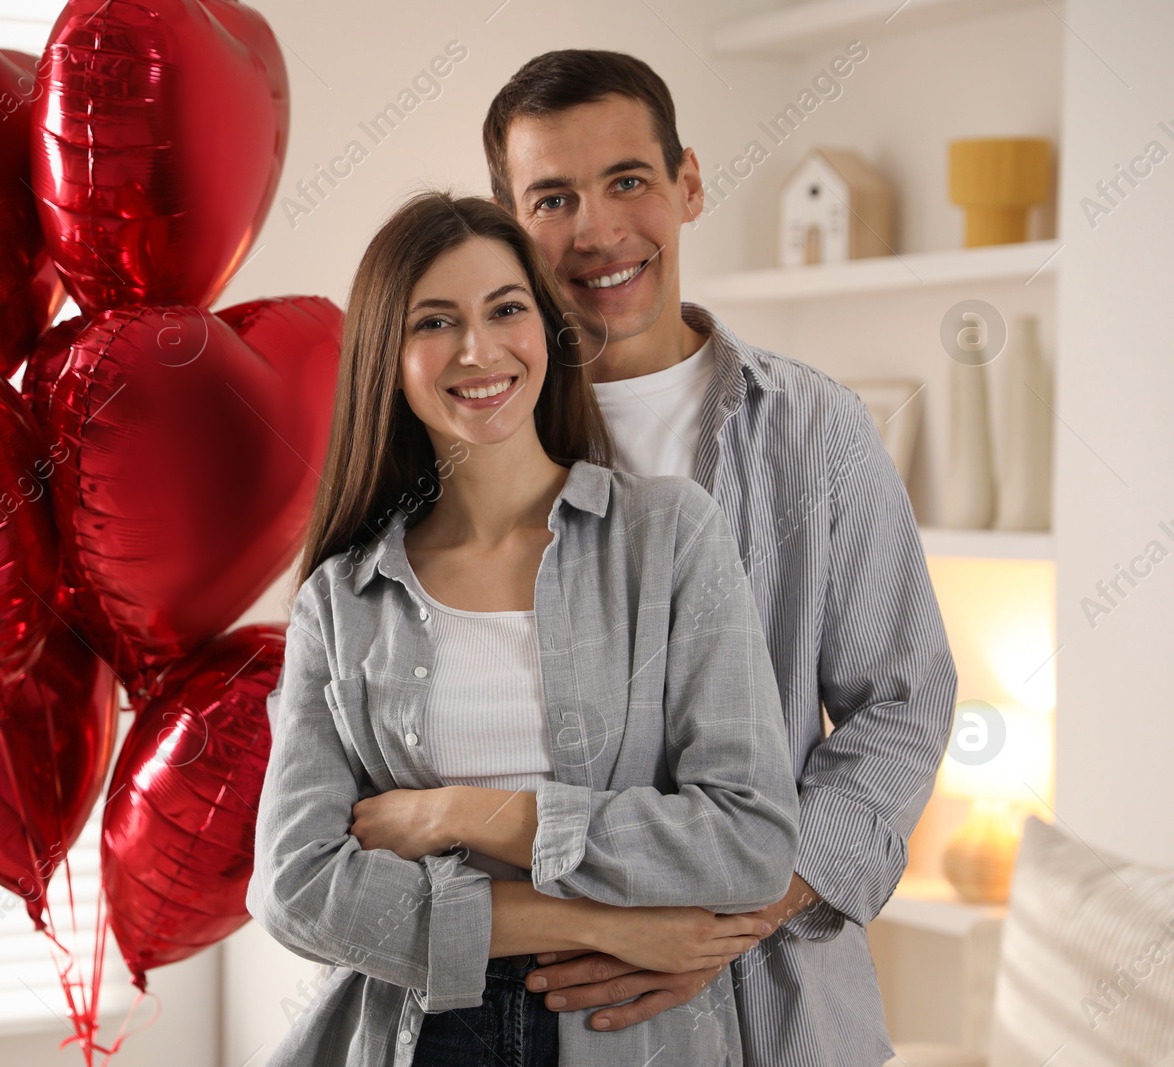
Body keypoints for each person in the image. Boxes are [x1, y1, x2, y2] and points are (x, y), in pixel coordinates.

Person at [245, 190, 803, 1066]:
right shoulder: (341, 601)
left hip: (633, 1035)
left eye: (506, 309)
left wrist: (461, 813)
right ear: (389, 360)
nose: (480, 349)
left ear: (546, 329)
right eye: (436, 322)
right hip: (426, 1032)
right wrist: (586, 919)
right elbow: (299, 890)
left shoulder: (667, 537)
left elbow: (749, 841)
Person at [480, 50, 959, 1066]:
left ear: (687, 183)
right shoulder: (468, 448)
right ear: (507, 224)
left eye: (627, 182)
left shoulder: (814, 431)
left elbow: (901, 702)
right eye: (553, 198)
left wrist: (735, 909)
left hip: (780, 1014)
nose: (600, 230)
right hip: (535, 1016)